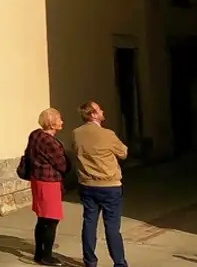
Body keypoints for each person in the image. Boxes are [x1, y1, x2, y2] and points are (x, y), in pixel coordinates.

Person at [73, 100, 129, 267]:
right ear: (92, 114)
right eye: (99, 109)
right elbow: (123, 152)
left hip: (87, 183)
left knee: (89, 222)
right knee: (112, 226)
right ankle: (119, 263)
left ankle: (90, 261)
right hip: (109, 185)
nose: (102, 111)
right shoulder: (107, 134)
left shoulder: (76, 133)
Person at [26, 108, 70, 265]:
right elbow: (61, 163)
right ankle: (47, 255)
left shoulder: (35, 135)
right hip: (49, 182)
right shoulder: (49, 141)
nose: (62, 122)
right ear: (52, 123)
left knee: (42, 218)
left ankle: (39, 253)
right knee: (51, 220)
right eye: (59, 119)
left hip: (37, 179)